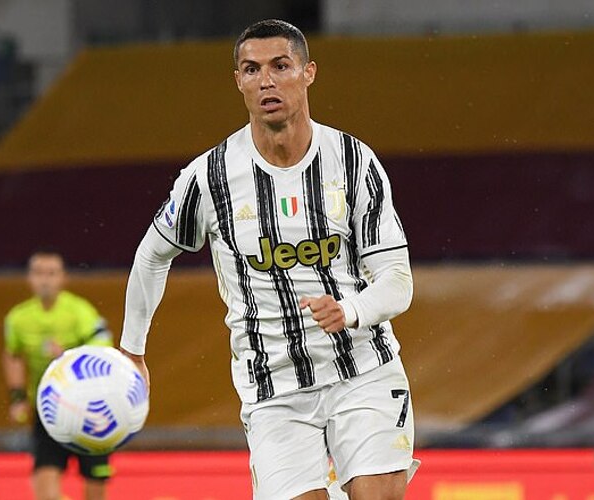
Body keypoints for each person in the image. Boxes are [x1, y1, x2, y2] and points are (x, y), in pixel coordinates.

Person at [120, 19, 419, 499]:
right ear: (238, 81)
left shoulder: (352, 161)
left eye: (280, 66)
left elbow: (397, 279)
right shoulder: (210, 176)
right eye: (251, 69)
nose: (266, 81)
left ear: (308, 73)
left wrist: (350, 310)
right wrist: (132, 350)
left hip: (363, 370)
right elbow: (152, 256)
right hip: (272, 387)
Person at [3, 250, 114, 500]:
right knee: (44, 489)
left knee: (95, 487)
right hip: (49, 411)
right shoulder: (18, 318)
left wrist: (69, 356)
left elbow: (104, 346)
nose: (45, 280)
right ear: (29, 278)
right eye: (39, 273)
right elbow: (13, 355)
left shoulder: (80, 311)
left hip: (89, 411)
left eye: (51, 273)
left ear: (63, 278)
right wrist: (17, 397)